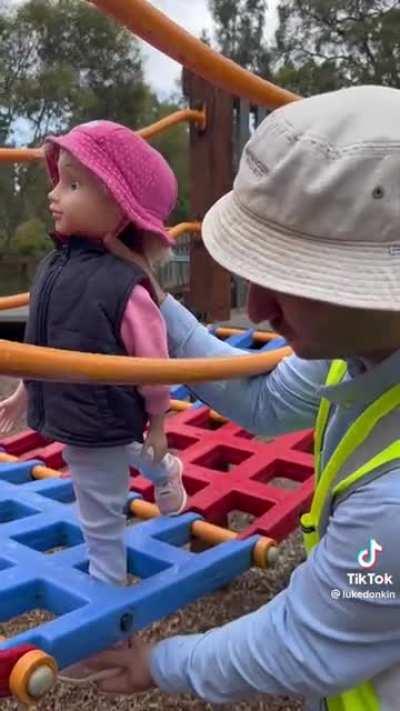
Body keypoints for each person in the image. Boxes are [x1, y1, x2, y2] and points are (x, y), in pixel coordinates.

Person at [87, 86, 400, 711]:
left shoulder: (392, 505)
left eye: (296, 281)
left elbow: (306, 643)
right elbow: (262, 397)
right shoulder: (368, 346)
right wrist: (153, 295)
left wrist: (163, 661)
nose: (255, 308)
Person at [0, 120, 188, 587]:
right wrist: (26, 389)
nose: (54, 194)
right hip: (80, 410)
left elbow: (153, 362)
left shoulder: (126, 286)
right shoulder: (52, 265)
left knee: (99, 513)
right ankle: (164, 468)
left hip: (99, 414)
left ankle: (106, 596)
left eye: (75, 183)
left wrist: (160, 420)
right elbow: (43, 337)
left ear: (120, 207)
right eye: (59, 180)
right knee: (117, 450)